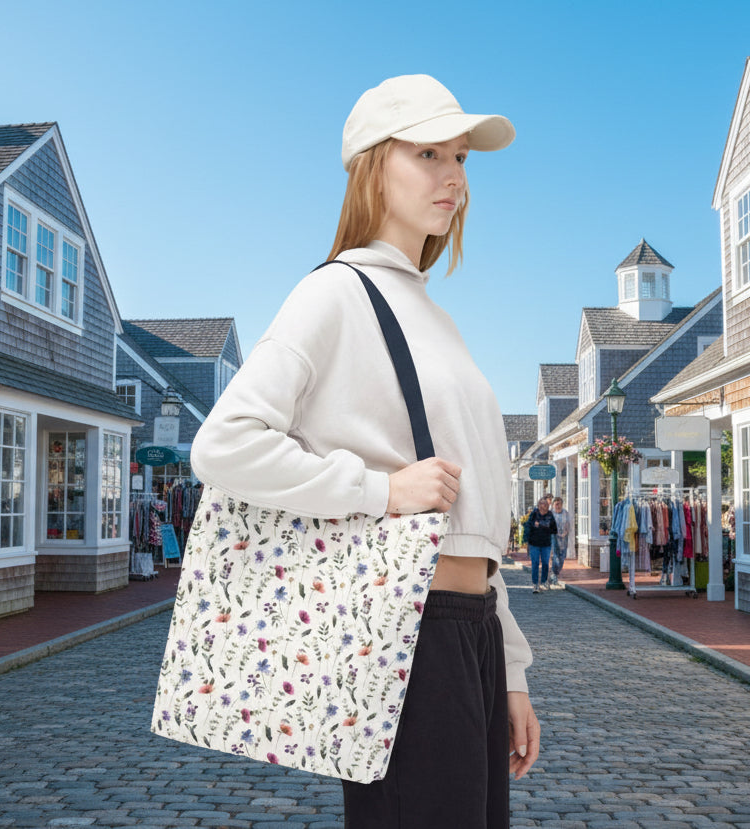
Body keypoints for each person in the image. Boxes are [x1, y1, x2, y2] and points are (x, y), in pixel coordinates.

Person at [191, 74, 539, 829]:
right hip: (407, 630)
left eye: (461, 157)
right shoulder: (335, 294)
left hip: (471, 627)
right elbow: (223, 444)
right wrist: (380, 490)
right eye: (428, 154)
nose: (454, 175)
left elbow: (475, 520)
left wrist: (510, 668)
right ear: (374, 168)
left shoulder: (436, 317)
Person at [524, 497, 557, 592]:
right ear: (539, 505)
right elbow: (528, 526)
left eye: (545, 504)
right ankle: (535, 584)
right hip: (534, 543)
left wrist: (542, 525)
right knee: (535, 563)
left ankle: (543, 581)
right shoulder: (534, 514)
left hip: (546, 543)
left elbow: (554, 530)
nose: (544, 506)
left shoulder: (550, 515)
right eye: (542, 504)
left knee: (545, 563)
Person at [550, 496, 571, 587]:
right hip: (554, 536)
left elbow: (569, 524)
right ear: (553, 505)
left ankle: (555, 572)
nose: (558, 506)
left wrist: (566, 533)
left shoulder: (565, 513)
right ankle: (554, 574)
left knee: (562, 556)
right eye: (556, 504)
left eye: (559, 504)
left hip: (564, 537)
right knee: (556, 555)